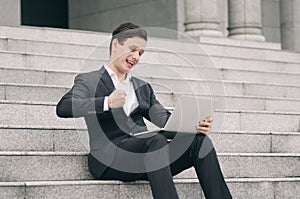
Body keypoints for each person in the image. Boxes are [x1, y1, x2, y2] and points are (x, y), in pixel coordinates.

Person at [56, 22, 232, 199]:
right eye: (132, 49)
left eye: (140, 53)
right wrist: (106, 102)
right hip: (109, 159)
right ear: (116, 45)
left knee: (200, 142)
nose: (136, 56)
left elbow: (164, 120)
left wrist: (193, 125)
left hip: (148, 157)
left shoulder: (142, 88)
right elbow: (63, 107)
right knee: (156, 141)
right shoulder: (90, 80)